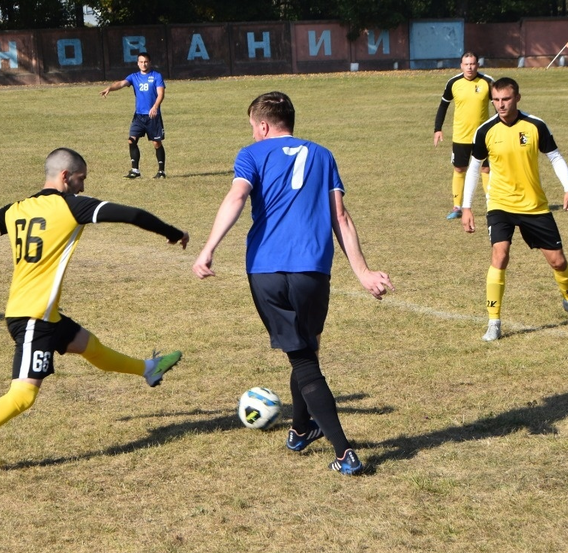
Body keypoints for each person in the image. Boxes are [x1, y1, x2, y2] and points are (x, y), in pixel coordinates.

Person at [0, 147, 189, 483]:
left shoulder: (16, 210)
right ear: (64, 177)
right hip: (32, 318)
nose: (83, 187)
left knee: (89, 346)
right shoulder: (73, 207)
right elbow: (131, 214)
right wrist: (172, 233)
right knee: (23, 395)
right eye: (80, 179)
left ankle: (148, 369)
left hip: (42, 313)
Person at [193, 92, 393, 477]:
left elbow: (237, 196)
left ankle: (344, 451)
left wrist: (208, 249)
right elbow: (341, 217)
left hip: (267, 270)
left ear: (263, 125)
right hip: (313, 271)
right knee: (306, 347)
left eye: (253, 127)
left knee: (302, 357)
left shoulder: (251, 155)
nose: (252, 134)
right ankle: (301, 430)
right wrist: (364, 273)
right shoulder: (322, 154)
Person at [460, 77, 568, 341]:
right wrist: (466, 206)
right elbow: (474, 168)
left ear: (517, 98)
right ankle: (494, 322)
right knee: (500, 255)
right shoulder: (485, 131)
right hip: (500, 205)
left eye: (505, 99)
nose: (500, 105)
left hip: (534, 206)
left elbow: (554, 156)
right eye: (496, 100)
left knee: (558, 261)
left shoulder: (535, 125)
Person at [433, 52, 492, 219]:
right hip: (461, 136)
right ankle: (457, 207)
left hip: (482, 137)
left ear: (477, 65)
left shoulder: (487, 82)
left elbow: (499, 108)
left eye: (472, 64)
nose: (470, 67)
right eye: (466, 64)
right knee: (459, 168)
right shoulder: (453, 83)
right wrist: (438, 129)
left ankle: (491, 206)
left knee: (486, 168)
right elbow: (443, 106)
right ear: (461, 65)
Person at [100, 52, 167, 179]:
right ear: (137, 63)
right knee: (131, 140)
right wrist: (110, 88)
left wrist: (155, 106)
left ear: (150, 62)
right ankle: (135, 170)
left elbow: (161, 94)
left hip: (153, 116)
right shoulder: (134, 77)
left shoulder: (156, 76)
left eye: (146, 61)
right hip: (138, 116)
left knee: (156, 143)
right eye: (141, 62)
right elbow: (121, 83)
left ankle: (161, 171)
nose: (143, 64)